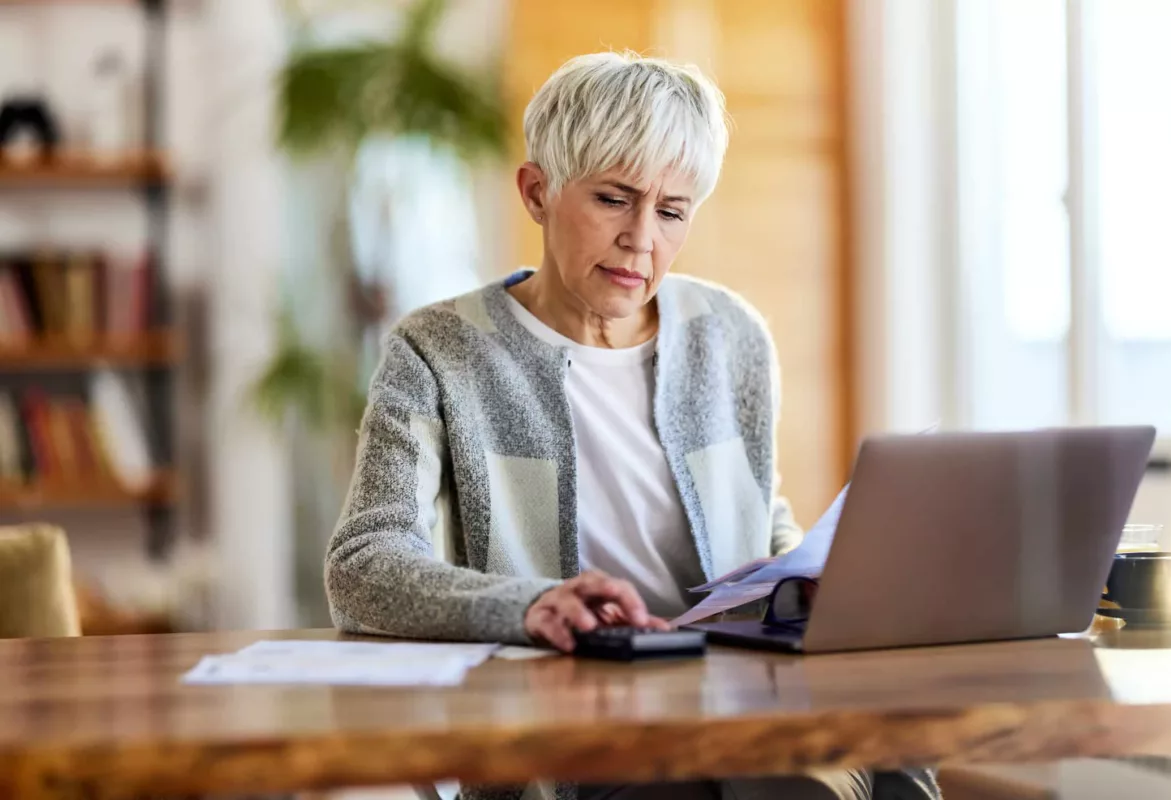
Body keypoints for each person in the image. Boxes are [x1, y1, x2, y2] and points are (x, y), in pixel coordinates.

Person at [326, 52, 940, 800]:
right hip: (568, 736)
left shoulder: (728, 333)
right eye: (614, 199)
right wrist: (527, 608)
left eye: (672, 211)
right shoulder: (440, 349)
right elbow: (363, 564)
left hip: (741, 702)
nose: (642, 238)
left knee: (892, 759)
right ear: (537, 192)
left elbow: (758, 518)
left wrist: (811, 584)